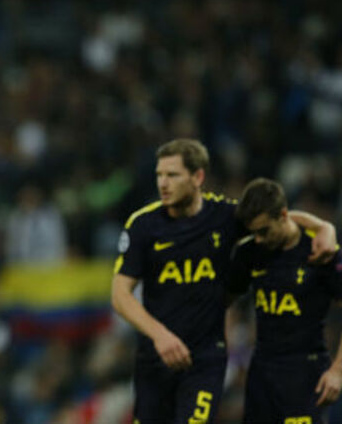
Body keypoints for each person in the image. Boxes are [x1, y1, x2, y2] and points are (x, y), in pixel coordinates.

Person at [111, 139, 337, 423]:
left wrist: (323, 227)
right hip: (155, 358)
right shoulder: (143, 225)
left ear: (198, 177)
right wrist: (160, 335)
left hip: (204, 360)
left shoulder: (224, 217)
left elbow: (274, 218)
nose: (163, 184)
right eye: (160, 175)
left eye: (173, 175)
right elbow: (120, 295)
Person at [230, 178, 342, 423]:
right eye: (253, 233)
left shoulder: (320, 250)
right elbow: (227, 299)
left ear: (283, 215)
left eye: (264, 231)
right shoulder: (249, 252)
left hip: (306, 370)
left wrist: (337, 371)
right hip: (262, 371)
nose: (258, 239)